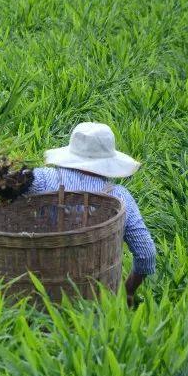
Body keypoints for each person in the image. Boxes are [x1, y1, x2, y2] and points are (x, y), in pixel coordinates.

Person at [28, 122, 157, 306]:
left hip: (38, 289)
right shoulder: (118, 197)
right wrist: (128, 291)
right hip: (97, 297)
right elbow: (146, 254)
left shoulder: (42, 179)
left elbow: (7, 190)